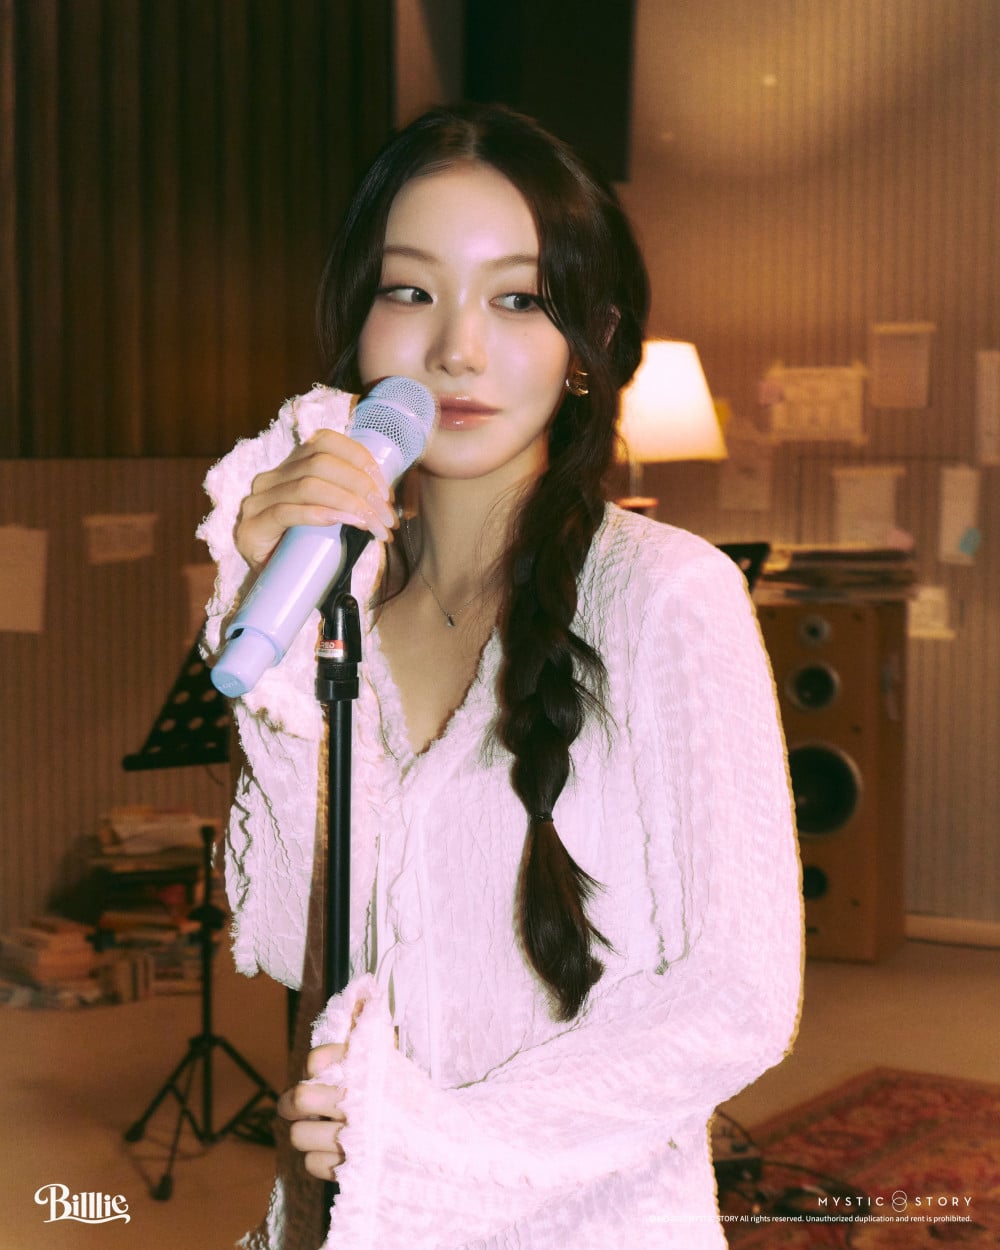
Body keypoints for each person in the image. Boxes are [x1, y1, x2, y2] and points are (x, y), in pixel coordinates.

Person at [199, 102, 803, 1250]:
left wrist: (428, 1150)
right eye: (409, 289)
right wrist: (267, 608)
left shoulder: (664, 593)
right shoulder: (340, 599)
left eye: (518, 298)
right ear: (357, 321)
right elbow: (283, 934)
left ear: (590, 341)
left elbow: (735, 998)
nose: (457, 350)